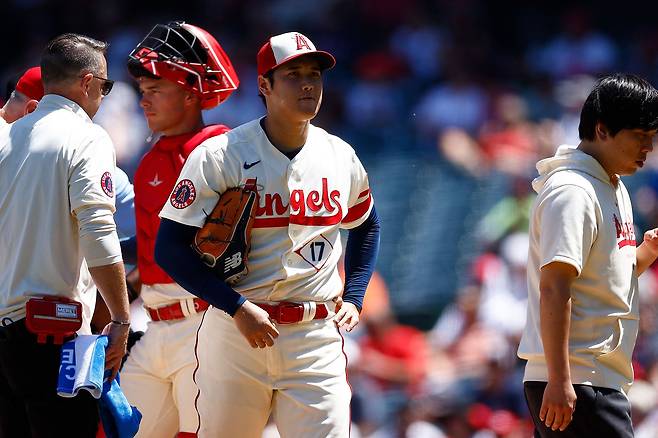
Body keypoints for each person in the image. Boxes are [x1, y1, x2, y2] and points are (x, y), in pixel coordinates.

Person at [156, 31, 381, 437]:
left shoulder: (340, 155)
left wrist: (356, 294)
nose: (308, 84)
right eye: (293, 74)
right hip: (235, 332)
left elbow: (367, 224)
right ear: (264, 85)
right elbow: (169, 248)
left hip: (313, 336)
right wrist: (235, 306)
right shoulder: (221, 155)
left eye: (314, 73)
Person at [0, 33, 130, 437]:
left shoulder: (9, 139)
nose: (105, 96)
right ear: (88, 83)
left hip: (7, 333)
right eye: (106, 86)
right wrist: (122, 319)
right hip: (54, 330)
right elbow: (99, 233)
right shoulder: (86, 136)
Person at [518, 74, 658, 437]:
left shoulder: (612, 185)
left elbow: (608, 280)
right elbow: (555, 288)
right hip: (577, 380)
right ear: (602, 129)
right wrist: (559, 380)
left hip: (590, 378)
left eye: (652, 138)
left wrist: (647, 252)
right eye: (640, 137)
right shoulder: (572, 191)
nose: (648, 147)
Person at [119, 21, 238, 438]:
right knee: (117, 430)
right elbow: (152, 247)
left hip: (204, 323)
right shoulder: (153, 156)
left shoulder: (221, 151)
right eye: (142, 92)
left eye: (156, 91)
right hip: (155, 326)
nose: (144, 102)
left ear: (191, 94)